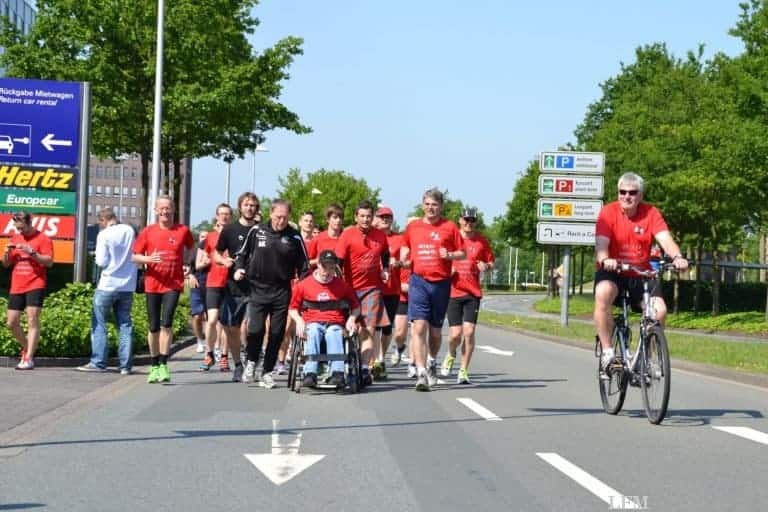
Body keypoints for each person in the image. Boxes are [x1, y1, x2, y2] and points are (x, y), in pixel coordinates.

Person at [594, 172, 688, 376]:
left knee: (659, 311)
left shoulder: (651, 213)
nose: (627, 196)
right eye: (622, 192)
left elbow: (665, 239)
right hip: (613, 271)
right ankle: (608, 351)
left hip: (640, 274)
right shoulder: (607, 213)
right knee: (603, 292)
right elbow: (601, 244)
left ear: (641, 195)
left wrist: (677, 257)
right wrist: (604, 259)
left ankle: (647, 357)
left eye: (632, 192)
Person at [235, 199, 309, 389]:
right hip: (258, 288)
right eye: (278, 217)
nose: (281, 221)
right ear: (271, 214)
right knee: (256, 330)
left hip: (282, 290)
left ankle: (267, 371)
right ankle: (251, 361)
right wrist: (239, 269)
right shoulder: (256, 230)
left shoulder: (294, 237)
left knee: (277, 333)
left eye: (285, 218)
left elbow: (304, 266)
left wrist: (303, 282)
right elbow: (241, 254)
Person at [400, 188, 465, 391]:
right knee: (418, 327)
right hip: (418, 281)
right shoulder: (414, 227)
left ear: (441, 207)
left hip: (441, 284)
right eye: (427, 204)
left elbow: (462, 253)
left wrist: (450, 256)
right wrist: (403, 257)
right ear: (422, 205)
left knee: (435, 333)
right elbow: (405, 246)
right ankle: (420, 373)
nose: (431, 208)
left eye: (434, 205)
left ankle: (431, 361)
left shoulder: (450, 227)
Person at [133, 196, 195, 383]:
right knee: (153, 327)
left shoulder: (182, 230)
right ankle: (153, 365)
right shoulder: (148, 232)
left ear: (173, 209)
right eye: (162, 208)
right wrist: (148, 260)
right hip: (152, 284)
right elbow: (135, 256)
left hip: (173, 284)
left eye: (168, 208)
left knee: (166, 323)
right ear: (156, 210)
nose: (165, 211)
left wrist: (187, 264)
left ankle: (163, 364)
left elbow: (192, 248)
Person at [335, 199, 391, 386]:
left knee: (368, 330)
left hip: (372, 290)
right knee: (346, 330)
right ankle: (339, 366)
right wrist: (338, 284)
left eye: (369, 216)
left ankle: (365, 369)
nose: (366, 220)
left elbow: (385, 254)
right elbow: (338, 262)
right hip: (349, 289)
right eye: (362, 216)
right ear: (356, 217)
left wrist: (385, 270)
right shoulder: (347, 234)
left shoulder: (380, 236)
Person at [77, 208, 138, 374]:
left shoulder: (104, 235)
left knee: (99, 323)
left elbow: (102, 261)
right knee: (125, 325)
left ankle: (98, 362)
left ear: (103, 220)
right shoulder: (129, 230)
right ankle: (125, 366)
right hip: (127, 285)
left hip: (108, 285)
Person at [289, 250, 360, 388]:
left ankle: (337, 373)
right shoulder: (303, 285)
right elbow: (292, 308)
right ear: (318, 265)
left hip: (334, 322)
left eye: (331, 268)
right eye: (324, 267)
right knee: (314, 331)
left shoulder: (342, 285)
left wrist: (352, 318)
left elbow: (356, 306)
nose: (327, 271)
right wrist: (299, 320)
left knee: (333, 333)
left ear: (335, 268)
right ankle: (310, 373)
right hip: (312, 322)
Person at [441, 207, 495, 384]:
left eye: (472, 220)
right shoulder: (452, 239)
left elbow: (491, 261)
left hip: (473, 293)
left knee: (469, 332)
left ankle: (463, 370)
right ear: (460, 220)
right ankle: (450, 354)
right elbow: (440, 260)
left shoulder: (481, 241)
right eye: (466, 220)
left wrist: (486, 267)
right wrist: (448, 269)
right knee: (455, 335)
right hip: (454, 292)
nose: (469, 223)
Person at [213, 193, 259, 380]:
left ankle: (251, 359)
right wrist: (224, 261)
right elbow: (215, 254)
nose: (250, 208)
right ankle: (238, 364)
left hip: (256, 286)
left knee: (250, 325)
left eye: (253, 205)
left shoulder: (261, 230)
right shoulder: (229, 230)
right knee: (231, 327)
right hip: (234, 286)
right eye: (247, 205)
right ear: (240, 207)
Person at [2, 212, 54, 370]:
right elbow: (6, 264)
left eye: (22, 228)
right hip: (17, 285)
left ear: (30, 223)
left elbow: (49, 262)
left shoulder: (43, 238)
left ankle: (29, 358)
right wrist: (6, 254)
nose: (20, 231)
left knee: (32, 319)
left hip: (35, 283)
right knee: (11, 323)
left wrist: (31, 251)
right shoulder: (15, 238)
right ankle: (28, 347)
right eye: (17, 228)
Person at [199, 203, 233, 373]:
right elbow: (202, 259)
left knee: (226, 322)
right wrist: (204, 261)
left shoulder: (235, 235)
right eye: (221, 214)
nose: (224, 217)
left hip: (231, 284)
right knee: (212, 320)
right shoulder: (210, 237)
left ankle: (225, 356)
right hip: (213, 282)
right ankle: (209, 352)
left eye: (227, 214)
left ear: (231, 217)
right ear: (217, 216)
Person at [373, 205, 404, 379]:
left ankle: (381, 357)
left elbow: (407, 261)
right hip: (374, 288)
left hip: (393, 289)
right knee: (375, 326)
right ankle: (376, 361)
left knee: (387, 329)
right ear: (376, 218)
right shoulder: (372, 237)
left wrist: (398, 263)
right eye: (382, 217)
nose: (385, 219)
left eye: (388, 217)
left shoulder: (399, 239)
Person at [191, 231, 209, 353]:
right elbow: (187, 267)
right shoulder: (193, 251)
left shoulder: (213, 251)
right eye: (202, 237)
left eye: (207, 238)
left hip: (210, 285)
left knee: (210, 316)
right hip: (197, 284)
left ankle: (210, 342)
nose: (204, 240)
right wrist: (191, 276)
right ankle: (199, 340)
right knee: (197, 315)